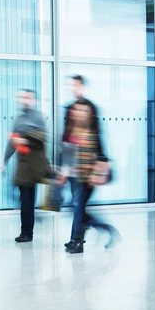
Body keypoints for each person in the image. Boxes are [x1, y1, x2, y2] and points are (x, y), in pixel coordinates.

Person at [61, 99, 121, 254]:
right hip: (74, 177)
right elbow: (67, 153)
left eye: (84, 111)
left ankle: (79, 241)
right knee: (76, 209)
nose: (80, 113)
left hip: (87, 179)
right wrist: (63, 172)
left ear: (89, 114)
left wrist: (97, 174)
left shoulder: (92, 132)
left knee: (79, 209)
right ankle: (77, 238)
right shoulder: (71, 130)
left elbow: (101, 155)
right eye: (78, 110)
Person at [2, 89, 49, 243]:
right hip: (22, 164)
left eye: (28, 97)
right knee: (23, 199)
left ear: (34, 100)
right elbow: (13, 141)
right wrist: (4, 160)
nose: (24, 99)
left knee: (27, 200)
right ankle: (27, 229)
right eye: (22, 97)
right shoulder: (19, 118)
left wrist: (26, 139)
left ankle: (27, 233)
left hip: (34, 164)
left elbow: (44, 136)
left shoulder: (38, 117)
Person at [62, 75, 105, 200]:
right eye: (71, 85)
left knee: (80, 201)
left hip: (87, 163)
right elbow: (66, 136)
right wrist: (64, 164)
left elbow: (97, 135)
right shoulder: (70, 108)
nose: (72, 88)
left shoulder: (91, 108)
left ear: (82, 86)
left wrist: (101, 158)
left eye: (75, 85)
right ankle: (84, 218)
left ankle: (87, 219)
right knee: (77, 201)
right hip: (73, 163)